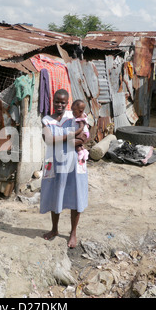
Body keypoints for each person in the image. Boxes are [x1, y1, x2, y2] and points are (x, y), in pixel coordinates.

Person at [40, 89, 89, 248]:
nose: (59, 105)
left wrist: (65, 140)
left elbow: (84, 137)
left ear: (67, 103)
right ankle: (54, 229)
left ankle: (73, 233)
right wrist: (70, 138)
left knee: (76, 196)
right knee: (56, 194)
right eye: (56, 101)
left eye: (63, 102)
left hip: (74, 163)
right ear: (52, 101)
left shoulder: (73, 116)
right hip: (55, 163)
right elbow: (48, 140)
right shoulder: (47, 120)